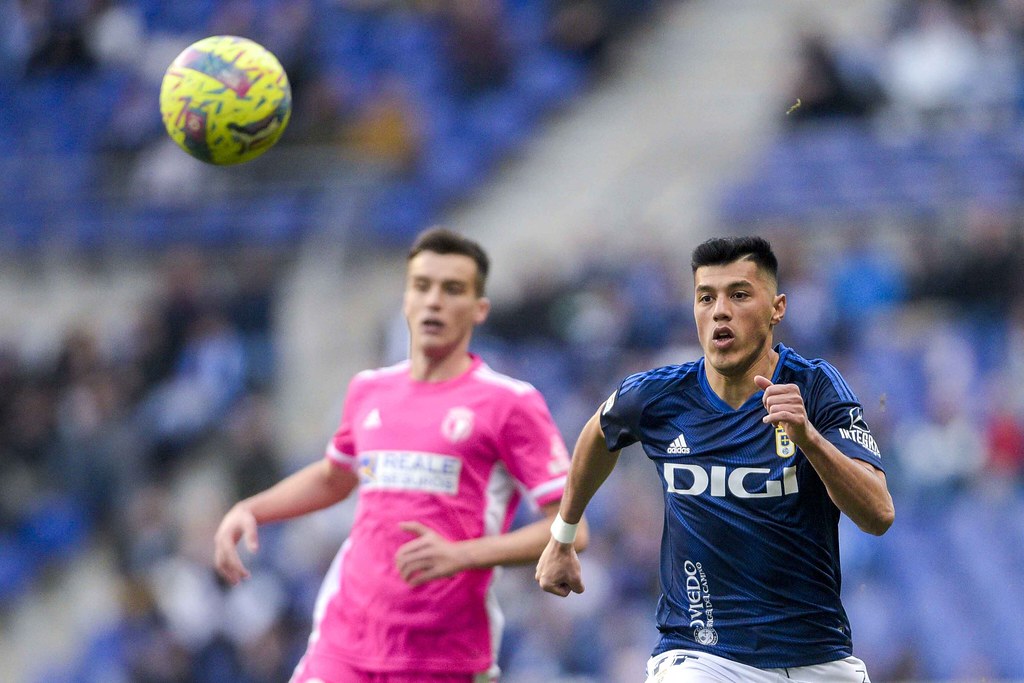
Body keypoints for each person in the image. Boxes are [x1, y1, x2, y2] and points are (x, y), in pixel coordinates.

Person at [215, 227, 588, 683]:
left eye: (452, 289)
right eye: (422, 286)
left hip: (442, 654)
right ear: (406, 300)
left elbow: (572, 529)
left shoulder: (509, 404)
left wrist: (464, 555)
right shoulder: (369, 390)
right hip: (346, 640)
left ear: (479, 310)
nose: (434, 301)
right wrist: (251, 509)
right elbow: (335, 478)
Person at [535, 236, 894, 682]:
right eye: (707, 297)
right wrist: (563, 536)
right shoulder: (660, 395)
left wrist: (810, 440)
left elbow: (878, 513)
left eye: (739, 294)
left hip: (816, 660)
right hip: (701, 658)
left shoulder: (817, 388)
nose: (720, 310)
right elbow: (599, 433)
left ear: (776, 308)